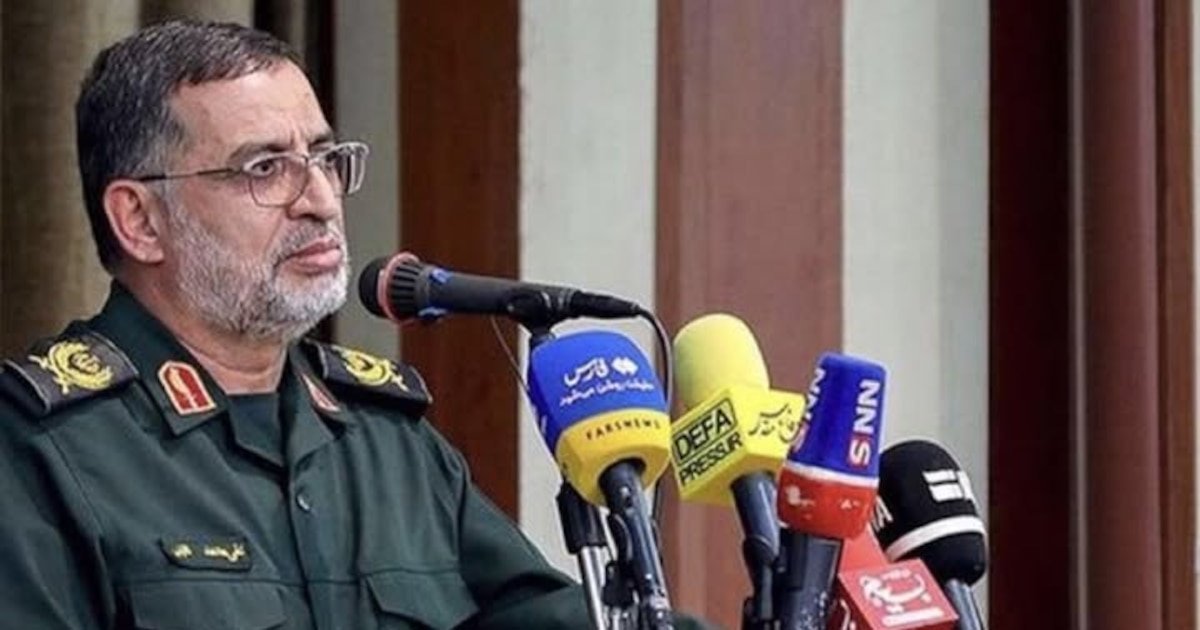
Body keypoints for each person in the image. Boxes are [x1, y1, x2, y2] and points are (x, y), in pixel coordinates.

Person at [0, 19, 712, 629]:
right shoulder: (42, 447)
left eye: (325, 159)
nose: (318, 199)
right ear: (140, 220)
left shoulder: (386, 439)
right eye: (265, 168)